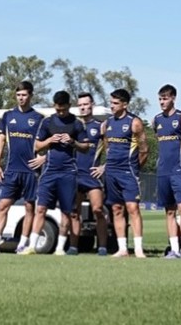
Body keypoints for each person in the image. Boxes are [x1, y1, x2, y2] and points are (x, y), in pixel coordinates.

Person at [22, 91, 89, 256]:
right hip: (49, 171)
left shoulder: (77, 123)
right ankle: (32, 246)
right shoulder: (47, 122)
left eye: (64, 110)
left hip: (68, 172)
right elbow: (37, 146)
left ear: (69, 106)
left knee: (66, 211)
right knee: (40, 208)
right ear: (54, 106)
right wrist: (49, 141)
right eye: (58, 110)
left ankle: (60, 248)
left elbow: (86, 147)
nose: (61, 113)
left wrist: (72, 142)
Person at [0, 81, 46, 254]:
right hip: (11, 170)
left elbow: (50, 142)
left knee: (29, 207)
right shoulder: (8, 115)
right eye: (18, 95)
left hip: (31, 171)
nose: (21, 98)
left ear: (31, 95)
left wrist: (44, 158)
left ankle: (23, 244)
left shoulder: (39, 118)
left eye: (24, 95)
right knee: (3, 205)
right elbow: (1, 140)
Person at [99, 88, 148, 258]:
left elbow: (144, 150)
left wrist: (134, 168)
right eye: (111, 102)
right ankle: (122, 249)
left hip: (128, 172)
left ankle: (139, 249)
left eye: (115, 103)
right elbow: (107, 146)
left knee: (133, 208)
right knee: (116, 208)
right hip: (111, 172)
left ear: (125, 104)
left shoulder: (134, 122)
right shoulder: (107, 124)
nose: (112, 106)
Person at [153, 84, 181, 259]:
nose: (162, 102)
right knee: (169, 211)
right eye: (160, 99)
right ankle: (174, 250)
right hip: (162, 171)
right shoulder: (156, 120)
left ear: (173, 98)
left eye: (165, 98)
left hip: (178, 171)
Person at [70, 92, 108, 256]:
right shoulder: (73, 126)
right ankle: (73, 247)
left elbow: (111, 150)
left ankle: (102, 247)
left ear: (92, 105)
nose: (83, 107)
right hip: (75, 175)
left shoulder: (100, 126)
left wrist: (104, 167)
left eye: (86, 104)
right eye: (80, 105)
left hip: (92, 176)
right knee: (74, 212)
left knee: (98, 210)